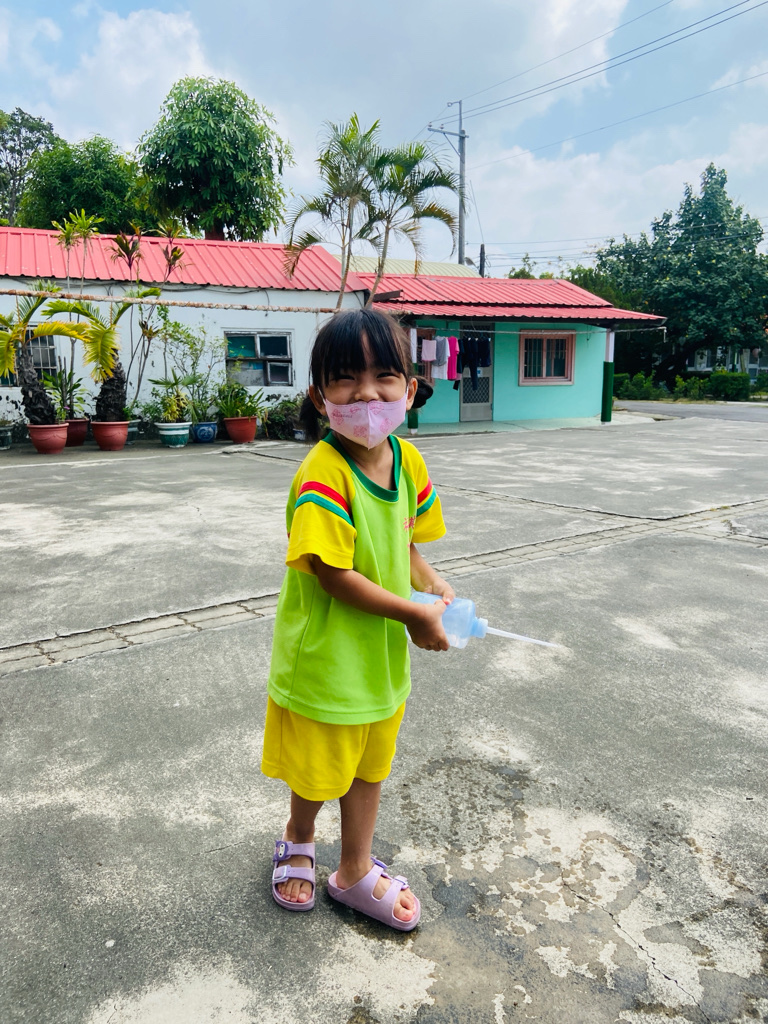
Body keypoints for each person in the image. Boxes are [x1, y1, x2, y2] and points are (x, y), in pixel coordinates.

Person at [261, 307, 455, 931]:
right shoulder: (323, 473)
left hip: (379, 657)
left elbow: (407, 544)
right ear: (320, 396)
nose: (366, 394)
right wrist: (414, 616)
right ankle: (299, 836)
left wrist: (432, 585)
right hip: (327, 659)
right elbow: (333, 574)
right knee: (319, 770)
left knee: (371, 765)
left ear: (410, 389)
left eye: (383, 377)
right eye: (345, 378)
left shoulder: (408, 461)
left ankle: (353, 869)